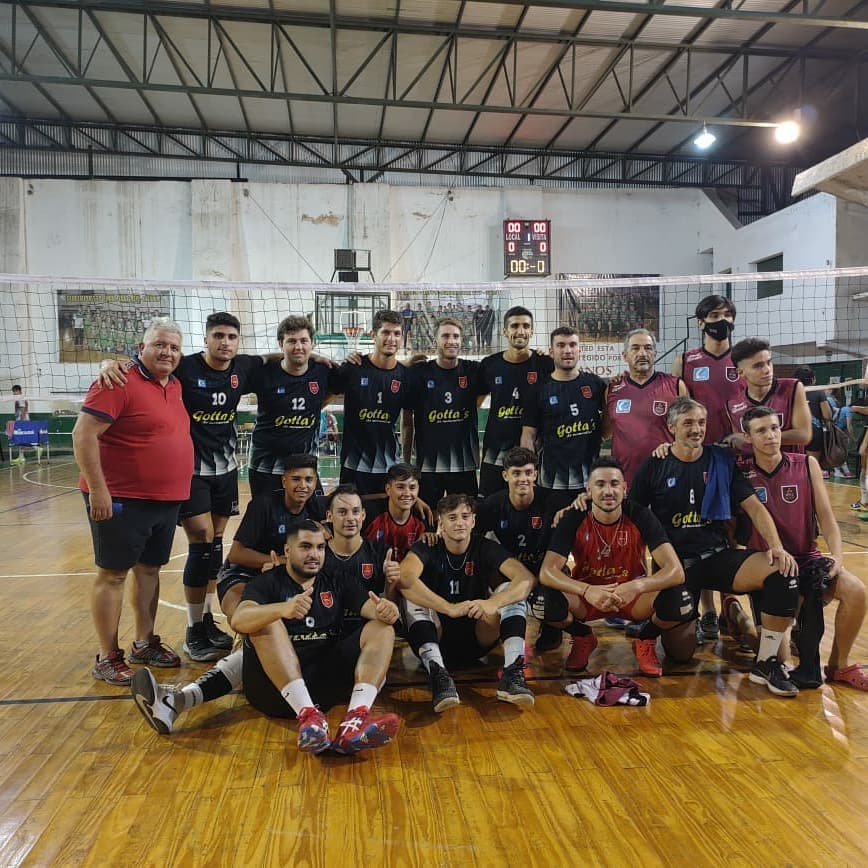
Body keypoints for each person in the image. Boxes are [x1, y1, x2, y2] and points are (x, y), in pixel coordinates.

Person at [136, 520, 401, 754]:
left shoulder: (336, 579)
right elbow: (239, 620)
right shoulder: (266, 582)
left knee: (382, 628)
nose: (314, 554)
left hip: (324, 684)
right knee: (265, 622)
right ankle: (308, 716)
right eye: (305, 547)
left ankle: (355, 720)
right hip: (275, 692)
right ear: (288, 551)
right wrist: (282, 609)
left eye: (320, 548)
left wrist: (387, 610)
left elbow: (373, 610)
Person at [130, 454, 324, 735]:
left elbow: (359, 504)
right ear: (284, 480)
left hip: (279, 582)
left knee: (264, 637)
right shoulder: (264, 505)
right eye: (296, 479)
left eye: (308, 480)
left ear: (316, 483)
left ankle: (175, 701)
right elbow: (236, 554)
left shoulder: (317, 507)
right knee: (250, 622)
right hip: (242, 576)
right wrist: (280, 562)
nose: (302, 485)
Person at [630, 397, 801, 697]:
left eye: (701, 422)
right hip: (677, 566)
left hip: (717, 556)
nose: (696, 429)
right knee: (681, 654)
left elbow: (754, 507)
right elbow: (633, 516)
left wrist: (776, 547)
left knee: (781, 570)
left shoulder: (720, 460)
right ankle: (729, 620)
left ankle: (766, 662)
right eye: (688, 423)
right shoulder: (654, 465)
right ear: (671, 427)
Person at [73, 318, 193, 686]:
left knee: (149, 570)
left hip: (165, 499)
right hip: (121, 497)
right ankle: (108, 656)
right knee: (112, 575)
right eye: (159, 345)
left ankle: (144, 642)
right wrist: (99, 490)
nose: (167, 352)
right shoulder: (116, 380)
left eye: (173, 347)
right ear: (141, 349)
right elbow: (83, 435)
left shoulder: (175, 384)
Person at [740, 406, 867, 690]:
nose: (771, 436)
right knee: (780, 655)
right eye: (761, 430)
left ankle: (838, 665)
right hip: (768, 568)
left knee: (856, 591)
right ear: (747, 437)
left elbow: (827, 518)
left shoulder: (806, 464)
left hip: (806, 558)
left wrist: (837, 557)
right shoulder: (741, 471)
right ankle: (739, 622)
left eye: (775, 428)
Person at [536, 458, 693, 676]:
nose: (608, 491)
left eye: (614, 484)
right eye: (600, 484)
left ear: (624, 488)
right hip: (588, 599)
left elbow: (676, 571)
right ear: (588, 490)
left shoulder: (640, 515)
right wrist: (586, 590)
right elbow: (547, 572)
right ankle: (582, 636)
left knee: (680, 599)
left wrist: (636, 586)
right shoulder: (573, 517)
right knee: (542, 601)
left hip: (632, 598)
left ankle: (645, 638)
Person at [397, 494, 536, 711]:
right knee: (411, 596)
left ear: (473, 521)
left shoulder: (484, 546)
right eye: (452, 518)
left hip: (477, 638)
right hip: (436, 636)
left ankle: (512, 674)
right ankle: (439, 677)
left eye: (465, 516)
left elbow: (526, 578)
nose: (459, 523)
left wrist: (493, 603)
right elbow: (404, 579)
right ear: (441, 523)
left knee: (511, 590)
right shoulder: (427, 546)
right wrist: (448, 608)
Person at [475, 446, 562, 653]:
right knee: (478, 571)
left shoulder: (553, 502)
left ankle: (552, 628)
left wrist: (576, 505)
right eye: (516, 473)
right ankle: (494, 626)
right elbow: (472, 537)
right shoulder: (492, 504)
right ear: (505, 476)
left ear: (535, 475)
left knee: (554, 592)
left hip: (543, 568)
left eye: (528, 472)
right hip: (510, 570)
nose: (523, 479)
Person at [521, 326, 609, 512]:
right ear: (551, 351)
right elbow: (528, 435)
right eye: (561, 345)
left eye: (572, 345)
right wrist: (528, 473)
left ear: (579, 349)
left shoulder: (595, 384)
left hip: (590, 482)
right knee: (554, 528)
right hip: (551, 481)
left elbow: (607, 430)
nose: (567, 350)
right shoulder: (539, 390)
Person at [246, 316, 334, 498]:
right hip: (265, 466)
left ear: (312, 343)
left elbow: (340, 385)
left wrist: (317, 405)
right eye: (292, 341)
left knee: (317, 514)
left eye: (304, 341)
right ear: (281, 344)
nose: (298, 346)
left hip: (305, 469)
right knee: (267, 515)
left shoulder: (323, 371)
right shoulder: (264, 373)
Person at [401, 318, 483, 506]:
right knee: (428, 518)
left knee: (464, 515)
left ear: (461, 340)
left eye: (456, 336)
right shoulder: (419, 372)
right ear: (435, 341)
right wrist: (406, 463)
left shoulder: (473, 370)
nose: (451, 341)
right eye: (445, 336)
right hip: (427, 466)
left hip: (464, 465)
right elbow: (406, 420)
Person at [330, 310, 411, 495]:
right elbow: (328, 392)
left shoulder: (405, 376)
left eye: (397, 333)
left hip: (389, 467)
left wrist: (406, 463)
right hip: (353, 465)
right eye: (386, 332)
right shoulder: (353, 368)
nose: (391, 339)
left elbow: (408, 421)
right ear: (373, 335)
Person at [477, 306, 554, 498]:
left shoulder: (545, 364)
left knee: (529, 504)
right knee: (489, 505)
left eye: (526, 326)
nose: (520, 331)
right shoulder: (490, 364)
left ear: (532, 331)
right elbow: (475, 403)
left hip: (533, 451)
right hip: (495, 451)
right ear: (505, 331)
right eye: (514, 326)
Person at [606, 329, 688, 487]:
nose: (642, 353)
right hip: (625, 481)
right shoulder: (612, 389)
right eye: (635, 348)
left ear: (655, 353)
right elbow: (605, 431)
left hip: (667, 478)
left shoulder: (676, 386)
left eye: (648, 348)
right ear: (625, 355)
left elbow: (687, 430)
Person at [321, 485, 401, 637]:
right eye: (342, 512)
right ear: (329, 516)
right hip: (327, 633)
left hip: (369, 629)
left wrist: (391, 584)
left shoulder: (380, 552)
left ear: (363, 515)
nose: (350, 518)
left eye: (356, 511)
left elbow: (390, 606)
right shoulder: (318, 556)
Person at [723, 340, 811, 459]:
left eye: (769, 362)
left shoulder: (792, 388)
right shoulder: (733, 405)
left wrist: (751, 439)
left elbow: (804, 435)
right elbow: (741, 445)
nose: (767, 370)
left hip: (791, 466)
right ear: (741, 372)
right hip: (752, 469)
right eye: (758, 366)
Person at [672, 294, 741, 445]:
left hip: (739, 444)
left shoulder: (744, 359)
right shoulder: (683, 361)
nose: (722, 320)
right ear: (701, 323)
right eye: (715, 315)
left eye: (727, 315)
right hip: (700, 445)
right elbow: (678, 408)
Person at [363, 462, 431, 562]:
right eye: (400, 487)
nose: (407, 493)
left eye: (412, 487)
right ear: (388, 489)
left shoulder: (423, 518)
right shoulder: (369, 514)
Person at [791, 365, 833, 470]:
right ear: (813, 379)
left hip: (794, 432)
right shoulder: (818, 392)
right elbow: (827, 415)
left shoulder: (790, 392)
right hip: (814, 432)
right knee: (812, 467)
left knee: (795, 466)